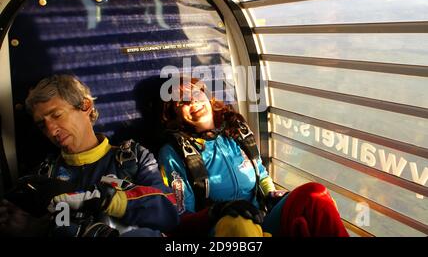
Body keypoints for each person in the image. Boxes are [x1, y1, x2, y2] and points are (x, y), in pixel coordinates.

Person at [158, 77, 349, 237]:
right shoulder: (174, 153)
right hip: (221, 229)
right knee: (239, 225)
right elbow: (180, 218)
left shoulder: (236, 130)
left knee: (314, 194)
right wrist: (217, 211)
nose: (192, 102)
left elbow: (261, 173)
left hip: (262, 218)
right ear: (175, 114)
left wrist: (270, 193)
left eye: (197, 94)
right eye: (182, 102)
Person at [0, 74, 178, 237]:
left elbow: (170, 214)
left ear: (85, 106)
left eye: (57, 115)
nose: (51, 130)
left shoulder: (133, 159)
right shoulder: (44, 175)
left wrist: (110, 201)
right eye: (42, 125)